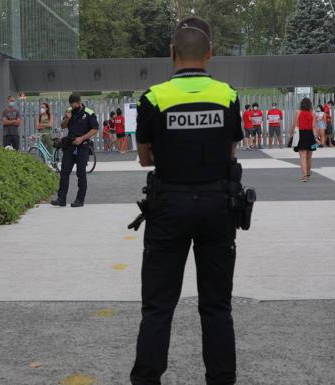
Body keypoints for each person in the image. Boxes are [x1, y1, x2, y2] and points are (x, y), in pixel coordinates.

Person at [131, 17, 244, 385]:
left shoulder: (153, 97)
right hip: (218, 205)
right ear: (210, 54)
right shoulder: (228, 95)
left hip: (168, 206)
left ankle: (147, 380)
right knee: (216, 306)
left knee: (158, 307)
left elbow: (145, 158)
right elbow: (230, 151)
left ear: (171, 53)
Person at [50, 93, 99, 207]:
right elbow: (62, 126)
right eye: (71, 104)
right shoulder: (69, 111)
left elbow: (95, 129)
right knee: (64, 172)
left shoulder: (89, 113)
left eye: (75, 104)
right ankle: (61, 199)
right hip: (70, 146)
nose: (73, 106)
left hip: (83, 146)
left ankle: (79, 200)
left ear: (79, 102)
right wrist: (67, 118)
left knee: (80, 173)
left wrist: (82, 138)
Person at [292, 98, 319, 182]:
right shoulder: (313, 113)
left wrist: (291, 134)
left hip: (301, 135)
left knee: (302, 157)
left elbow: (295, 124)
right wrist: (316, 137)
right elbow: (314, 126)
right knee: (309, 157)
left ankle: (304, 176)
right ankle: (308, 173)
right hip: (310, 135)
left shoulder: (298, 112)